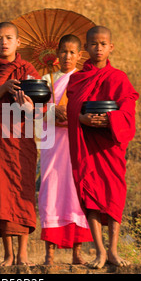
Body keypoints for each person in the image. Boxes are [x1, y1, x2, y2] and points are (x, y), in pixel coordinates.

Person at [67, 26, 139, 269]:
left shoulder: (119, 77)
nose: (98, 48)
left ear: (111, 47)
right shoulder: (77, 78)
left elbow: (128, 108)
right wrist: (81, 118)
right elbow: (71, 108)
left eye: (103, 44)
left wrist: (110, 120)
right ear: (85, 48)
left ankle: (113, 250)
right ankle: (99, 251)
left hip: (110, 144)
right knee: (91, 197)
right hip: (87, 144)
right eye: (93, 44)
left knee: (114, 194)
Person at [0, 22, 41, 266]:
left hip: (21, 136)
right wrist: (3, 88)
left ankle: (23, 253)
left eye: (9, 38)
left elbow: (41, 103)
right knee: (2, 190)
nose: (4, 42)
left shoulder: (28, 69)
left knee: (22, 188)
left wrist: (30, 102)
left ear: (18, 42)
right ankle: (8, 254)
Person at [38, 34, 93, 266]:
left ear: (80, 56)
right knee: (50, 191)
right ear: (57, 53)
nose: (67, 56)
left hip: (75, 139)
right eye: (63, 52)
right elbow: (36, 108)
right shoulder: (47, 79)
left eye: (72, 52)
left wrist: (70, 115)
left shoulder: (83, 79)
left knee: (74, 192)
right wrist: (52, 111)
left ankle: (76, 252)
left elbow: (88, 108)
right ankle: (49, 254)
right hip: (52, 140)